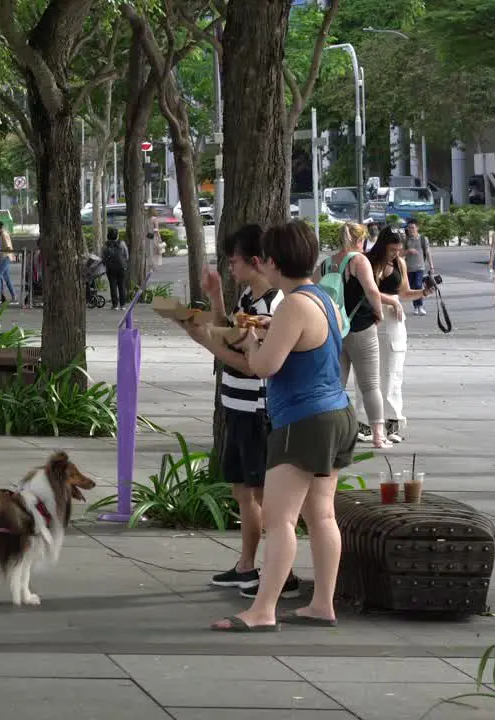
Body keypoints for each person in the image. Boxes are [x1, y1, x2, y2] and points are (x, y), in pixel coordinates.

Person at [211, 221, 357, 633]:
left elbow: (264, 367)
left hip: (303, 421)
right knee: (322, 515)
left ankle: (263, 610)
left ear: (273, 262)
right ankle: (322, 604)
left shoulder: (292, 304)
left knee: (279, 519)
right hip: (338, 415)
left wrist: (252, 339)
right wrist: (265, 331)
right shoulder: (321, 297)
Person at [177, 224, 293, 598]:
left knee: (262, 494)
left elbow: (250, 363)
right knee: (243, 490)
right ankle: (247, 565)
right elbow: (231, 333)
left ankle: (278, 573)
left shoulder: (274, 305)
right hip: (236, 403)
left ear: (255, 262)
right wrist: (215, 302)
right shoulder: (248, 296)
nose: (230, 267)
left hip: (256, 406)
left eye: (235, 260)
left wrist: (205, 343)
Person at [317, 223, 388, 448]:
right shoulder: (359, 261)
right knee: (370, 385)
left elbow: (312, 289)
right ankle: (378, 435)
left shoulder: (327, 263)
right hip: (361, 328)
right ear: (361, 240)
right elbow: (372, 290)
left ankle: (332, 435)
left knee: (335, 385)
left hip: (335, 331)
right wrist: (379, 312)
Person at [361, 227, 431, 444]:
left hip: (393, 321)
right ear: (382, 245)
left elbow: (404, 293)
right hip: (371, 317)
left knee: (393, 371)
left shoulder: (399, 263)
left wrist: (424, 292)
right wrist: (389, 300)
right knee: (368, 374)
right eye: (392, 250)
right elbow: (366, 290)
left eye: (399, 250)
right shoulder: (367, 262)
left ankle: (391, 420)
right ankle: (364, 422)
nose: (395, 254)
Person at [401, 219, 433, 315]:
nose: (411, 229)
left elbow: (427, 252)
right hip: (409, 268)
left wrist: (431, 266)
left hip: (420, 267)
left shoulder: (423, 239)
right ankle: (416, 307)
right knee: (412, 288)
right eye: (409, 228)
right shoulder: (406, 240)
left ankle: (420, 306)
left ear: (417, 228)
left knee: (418, 285)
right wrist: (408, 251)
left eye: (412, 227)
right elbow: (400, 253)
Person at [102, 228, 129, 310]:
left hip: (110, 269)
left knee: (113, 286)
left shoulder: (105, 245)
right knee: (122, 286)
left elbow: (103, 258)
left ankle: (115, 305)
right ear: (117, 236)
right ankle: (123, 305)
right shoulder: (122, 243)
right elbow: (126, 255)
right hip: (121, 268)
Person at [0, 220, 16, 301]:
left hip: (6, 257)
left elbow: (8, 247)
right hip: (5, 257)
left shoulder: (4, 235)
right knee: (7, 278)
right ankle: (14, 296)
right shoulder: (1, 235)